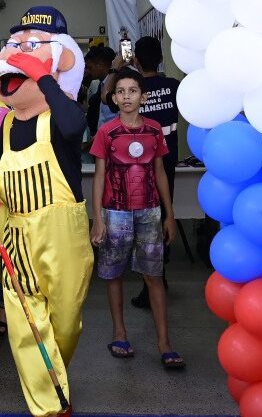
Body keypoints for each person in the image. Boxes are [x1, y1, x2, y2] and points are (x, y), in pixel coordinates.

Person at [0, 6, 94, 416]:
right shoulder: (7, 125)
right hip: (16, 234)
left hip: (62, 233)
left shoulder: (58, 119)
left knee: (64, 322)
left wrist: (43, 75)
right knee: (25, 318)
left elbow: (73, 125)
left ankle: (54, 378)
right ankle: (49, 405)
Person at [89, 67, 185, 370]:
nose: (126, 96)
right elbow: (100, 176)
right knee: (114, 274)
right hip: (115, 213)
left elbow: (159, 172)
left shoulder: (154, 129)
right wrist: (97, 218)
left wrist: (169, 215)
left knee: (153, 275)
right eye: (121, 91)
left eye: (132, 91)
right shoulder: (106, 132)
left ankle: (164, 343)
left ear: (143, 97)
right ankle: (120, 334)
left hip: (149, 212)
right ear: (113, 98)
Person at [128, 37, 180, 309]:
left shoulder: (134, 88)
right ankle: (160, 274)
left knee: (145, 221)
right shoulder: (174, 87)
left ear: (136, 58)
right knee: (163, 217)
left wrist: (119, 68)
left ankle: (153, 279)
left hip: (139, 166)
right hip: (168, 163)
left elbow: (107, 99)